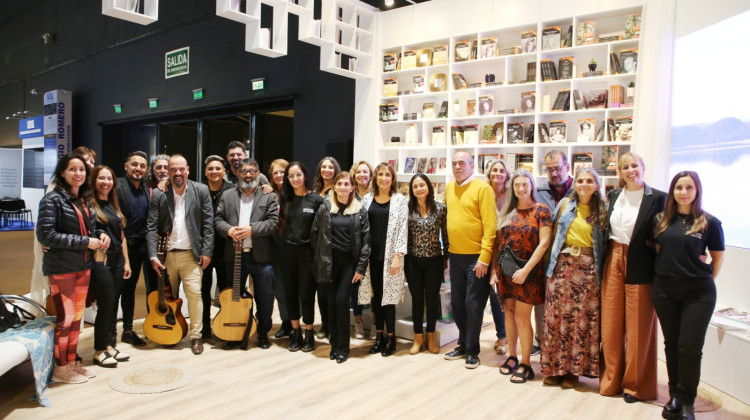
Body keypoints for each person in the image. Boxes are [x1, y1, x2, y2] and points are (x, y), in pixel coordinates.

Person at [652, 171, 724, 420]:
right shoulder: (661, 220)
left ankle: (687, 403)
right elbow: (663, 252)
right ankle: (674, 397)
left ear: (697, 191)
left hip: (698, 293)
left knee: (690, 348)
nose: (683, 192)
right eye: (679, 187)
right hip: (664, 290)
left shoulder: (709, 222)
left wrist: (701, 280)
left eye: (689, 187)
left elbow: (717, 258)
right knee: (672, 345)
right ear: (673, 191)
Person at [37, 153, 111, 384]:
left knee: (77, 319)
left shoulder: (82, 199)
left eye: (81, 170)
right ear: (62, 172)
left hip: (82, 266)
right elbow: (46, 235)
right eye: (73, 169)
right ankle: (61, 369)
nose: (78, 174)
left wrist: (99, 234)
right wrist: (84, 242)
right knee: (66, 319)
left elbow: (87, 232)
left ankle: (71, 363)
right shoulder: (52, 200)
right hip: (61, 268)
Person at [599, 153, 666, 403]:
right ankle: (611, 380)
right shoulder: (614, 195)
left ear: (643, 167)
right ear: (619, 171)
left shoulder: (659, 198)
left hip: (642, 263)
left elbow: (665, 232)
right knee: (611, 323)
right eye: (625, 167)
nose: (630, 170)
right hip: (613, 258)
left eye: (634, 165)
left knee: (638, 328)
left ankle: (635, 386)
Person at [541, 167, 606, 388]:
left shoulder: (602, 210)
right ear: (574, 184)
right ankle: (554, 368)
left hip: (589, 272)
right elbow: (550, 237)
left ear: (597, 185)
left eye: (589, 181)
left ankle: (573, 371)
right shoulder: (564, 206)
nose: (584, 185)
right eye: (580, 181)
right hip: (562, 267)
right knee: (556, 319)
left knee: (581, 321)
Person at [147, 154, 214, 355]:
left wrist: (207, 251)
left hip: (190, 255)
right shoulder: (160, 194)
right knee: (168, 297)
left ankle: (196, 336)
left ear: (188, 170)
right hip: (165, 256)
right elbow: (151, 226)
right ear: (167, 171)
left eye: (181, 169)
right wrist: (152, 256)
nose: (177, 173)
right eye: (173, 169)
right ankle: (171, 332)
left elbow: (208, 223)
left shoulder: (201, 190)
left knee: (195, 295)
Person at [491, 169, 551, 383]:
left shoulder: (541, 211)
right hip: (506, 272)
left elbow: (544, 243)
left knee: (522, 317)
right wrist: (493, 273)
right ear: (512, 188)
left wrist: (525, 270)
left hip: (529, 272)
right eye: (517, 185)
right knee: (508, 313)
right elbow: (499, 245)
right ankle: (512, 357)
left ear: (532, 185)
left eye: (525, 184)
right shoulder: (507, 212)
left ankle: (526, 363)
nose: (521, 189)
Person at [215, 158, 279, 350]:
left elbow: (273, 222)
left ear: (258, 173)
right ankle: (233, 334)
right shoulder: (227, 195)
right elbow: (217, 218)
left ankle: (262, 334)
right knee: (233, 297)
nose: (248, 175)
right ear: (238, 174)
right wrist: (228, 230)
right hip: (234, 257)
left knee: (265, 298)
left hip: (262, 258)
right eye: (244, 172)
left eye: (252, 171)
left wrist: (252, 229)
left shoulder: (268, 195)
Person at [443, 151, 496, 369]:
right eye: (454, 163)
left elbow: (490, 226)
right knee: (457, 305)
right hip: (455, 256)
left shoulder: (483, 189)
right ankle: (463, 343)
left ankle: (473, 351)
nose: (457, 167)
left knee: (473, 305)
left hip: (477, 258)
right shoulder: (448, 188)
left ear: (471, 166)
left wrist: (484, 258)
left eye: (462, 163)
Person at [311, 172, 370, 363]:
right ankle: (334, 345)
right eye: (340, 184)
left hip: (349, 266)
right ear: (334, 187)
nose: (343, 187)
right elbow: (314, 235)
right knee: (330, 305)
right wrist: (320, 259)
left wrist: (360, 268)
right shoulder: (325, 208)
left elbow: (366, 242)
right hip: (328, 264)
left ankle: (343, 348)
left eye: (347, 184)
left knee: (341, 302)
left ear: (352, 187)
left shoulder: (360, 210)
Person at [359, 162, 408, 357]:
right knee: (376, 298)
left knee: (389, 300)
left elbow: (403, 230)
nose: (383, 178)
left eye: (387, 175)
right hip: (372, 257)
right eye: (380, 174)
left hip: (391, 258)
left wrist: (398, 256)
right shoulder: (367, 199)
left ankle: (391, 338)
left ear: (392, 178)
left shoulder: (399, 200)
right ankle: (378, 336)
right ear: (375, 178)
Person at [279, 162, 325, 352]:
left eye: (298, 175)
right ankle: (295, 332)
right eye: (291, 176)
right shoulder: (286, 199)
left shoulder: (316, 200)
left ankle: (309, 331)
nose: (295, 179)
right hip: (287, 253)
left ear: (304, 176)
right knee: (290, 293)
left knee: (306, 294)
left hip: (308, 254)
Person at [89, 165, 132, 368]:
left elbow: (121, 236)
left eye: (109, 178)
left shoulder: (113, 203)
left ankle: (108, 345)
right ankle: (99, 349)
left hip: (117, 259)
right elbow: (89, 230)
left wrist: (127, 262)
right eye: (101, 178)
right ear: (94, 181)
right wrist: (98, 234)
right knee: (106, 303)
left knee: (114, 302)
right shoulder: (89, 204)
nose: (106, 182)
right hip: (100, 260)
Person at [532, 150, 573, 354]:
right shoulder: (538, 192)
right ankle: (541, 341)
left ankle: (563, 344)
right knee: (541, 299)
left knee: (566, 303)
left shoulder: (580, 189)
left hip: (570, 257)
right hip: (544, 254)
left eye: (558, 168)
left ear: (567, 166)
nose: (554, 173)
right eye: (549, 170)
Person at [405, 173, 448, 355]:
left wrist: (446, 257)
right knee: (416, 300)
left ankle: (430, 337)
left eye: (422, 185)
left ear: (428, 187)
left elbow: (446, 234)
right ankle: (417, 338)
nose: (419, 189)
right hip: (413, 261)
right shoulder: (407, 208)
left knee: (431, 300)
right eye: (415, 186)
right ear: (412, 190)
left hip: (434, 260)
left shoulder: (440, 208)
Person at [115, 151, 151, 347]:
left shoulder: (146, 188)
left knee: (152, 288)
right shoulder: (116, 186)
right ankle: (126, 330)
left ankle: (152, 325)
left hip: (146, 246)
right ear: (126, 166)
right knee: (126, 289)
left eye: (142, 166)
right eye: (135, 164)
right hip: (125, 247)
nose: (138, 168)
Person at [201, 155, 234, 340]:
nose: (214, 171)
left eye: (218, 168)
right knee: (203, 289)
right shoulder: (198, 189)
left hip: (226, 248)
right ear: (205, 172)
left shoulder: (232, 191)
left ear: (224, 171)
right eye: (210, 168)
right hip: (204, 249)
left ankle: (225, 323)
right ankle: (205, 326)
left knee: (225, 289)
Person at [312, 156, 342, 339]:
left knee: (332, 290)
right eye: (324, 167)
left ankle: (333, 325)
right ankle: (324, 323)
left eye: (330, 167)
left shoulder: (339, 189)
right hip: (317, 244)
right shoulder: (315, 190)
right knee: (321, 289)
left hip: (334, 244)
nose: (327, 170)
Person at [485, 159, 511, 355]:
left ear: (507, 174)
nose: (498, 173)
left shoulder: (511, 195)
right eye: (494, 170)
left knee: (497, 296)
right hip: (483, 247)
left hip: (503, 250)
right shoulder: (483, 192)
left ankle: (502, 336)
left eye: (502, 170)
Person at [268, 158, 294, 339]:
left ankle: (295, 323)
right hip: (274, 245)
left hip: (292, 245)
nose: (279, 176)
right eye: (275, 172)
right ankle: (285, 322)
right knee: (279, 288)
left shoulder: (295, 194)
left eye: (282, 172)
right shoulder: (268, 193)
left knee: (293, 287)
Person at [351, 160, 374, 338]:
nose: (362, 175)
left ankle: (374, 321)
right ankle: (358, 321)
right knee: (355, 285)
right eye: (358, 172)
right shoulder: (350, 194)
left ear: (370, 175)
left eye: (365, 172)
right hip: (355, 247)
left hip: (374, 246)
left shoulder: (376, 194)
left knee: (374, 286)